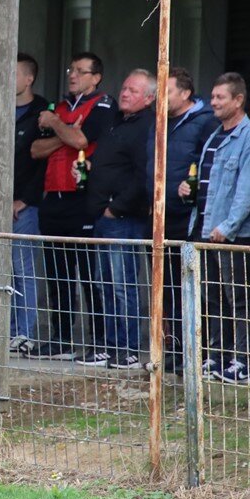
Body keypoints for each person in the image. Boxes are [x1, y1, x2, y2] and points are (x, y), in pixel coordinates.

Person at [23, 52, 117, 360]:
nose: (72, 75)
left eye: (80, 71)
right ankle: (61, 338)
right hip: (53, 198)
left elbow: (81, 141)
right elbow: (36, 149)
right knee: (56, 274)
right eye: (70, 69)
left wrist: (58, 127)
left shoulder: (103, 105)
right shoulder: (59, 108)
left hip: (83, 198)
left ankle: (99, 342)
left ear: (96, 77)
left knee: (90, 276)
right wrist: (64, 129)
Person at [178, 72, 250, 385]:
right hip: (204, 226)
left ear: (238, 100)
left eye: (220, 98)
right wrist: (186, 191)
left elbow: (246, 192)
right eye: (213, 97)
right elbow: (206, 181)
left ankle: (243, 363)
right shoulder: (215, 135)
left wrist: (227, 227)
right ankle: (217, 356)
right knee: (212, 296)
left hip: (232, 233)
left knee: (238, 298)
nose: (213, 102)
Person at [73, 69, 156, 369]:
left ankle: (130, 349)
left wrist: (117, 208)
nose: (124, 93)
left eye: (133, 90)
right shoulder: (116, 122)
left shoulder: (147, 126)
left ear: (148, 98)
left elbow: (142, 175)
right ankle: (109, 347)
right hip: (102, 215)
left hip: (123, 218)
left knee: (123, 285)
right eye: (123, 87)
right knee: (104, 284)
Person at [146, 67, 219, 374]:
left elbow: (208, 165)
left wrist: (190, 188)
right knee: (166, 289)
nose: (160, 97)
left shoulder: (204, 123)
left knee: (192, 287)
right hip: (159, 216)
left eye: (168, 91)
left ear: (186, 93)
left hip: (188, 218)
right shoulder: (159, 120)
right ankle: (173, 350)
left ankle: (197, 352)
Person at [8, 54, 49, 354]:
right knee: (3, 271)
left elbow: (43, 164)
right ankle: (7, 333)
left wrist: (24, 199)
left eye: (15, 73)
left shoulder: (42, 112)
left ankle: (24, 334)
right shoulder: (0, 107)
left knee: (24, 271)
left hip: (26, 206)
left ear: (29, 79)